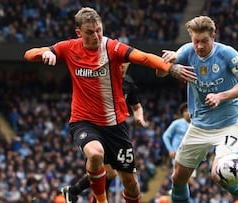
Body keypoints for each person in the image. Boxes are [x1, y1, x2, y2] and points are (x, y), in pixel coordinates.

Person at [24, 7, 196, 203]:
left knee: (131, 184)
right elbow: (29, 54)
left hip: (115, 126)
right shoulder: (69, 47)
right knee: (95, 154)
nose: (96, 35)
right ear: (78, 32)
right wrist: (46, 53)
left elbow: (145, 58)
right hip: (84, 121)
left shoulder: (112, 48)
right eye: (90, 32)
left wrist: (171, 68)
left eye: (99, 30)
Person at [157, 16, 238, 203]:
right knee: (177, 177)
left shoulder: (227, 54)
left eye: (204, 41)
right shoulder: (187, 51)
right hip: (200, 126)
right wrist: (170, 67)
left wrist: (221, 96)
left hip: (229, 124)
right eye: (196, 41)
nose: (200, 46)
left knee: (219, 174)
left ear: (213, 36)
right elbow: (160, 73)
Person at [60, 62, 147, 203]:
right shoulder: (103, 77)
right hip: (97, 129)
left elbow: (136, 106)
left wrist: (139, 116)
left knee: (118, 177)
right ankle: (84, 195)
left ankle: (74, 190)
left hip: (117, 131)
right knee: (106, 169)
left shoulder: (129, 82)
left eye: (125, 62)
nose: (122, 65)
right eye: (120, 61)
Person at [162, 102, 190, 167]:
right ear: (182, 113)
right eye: (185, 111)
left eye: (189, 110)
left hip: (191, 156)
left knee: (188, 177)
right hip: (178, 156)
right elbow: (165, 136)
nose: (188, 112)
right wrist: (170, 150)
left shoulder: (195, 125)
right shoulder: (176, 123)